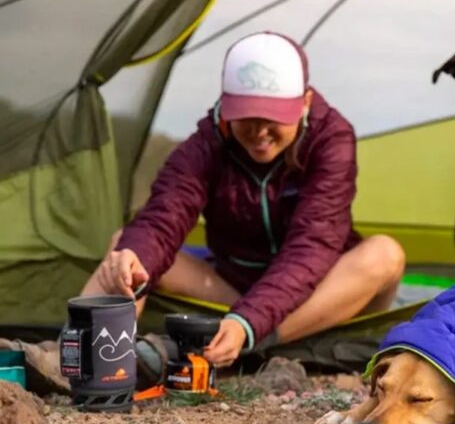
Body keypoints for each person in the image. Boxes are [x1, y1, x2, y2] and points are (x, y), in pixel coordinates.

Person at [82, 30, 405, 370]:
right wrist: (135, 255)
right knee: (130, 251)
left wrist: (248, 323)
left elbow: (314, 245)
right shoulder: (206, 144)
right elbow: (164, 218)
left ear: (305, 102)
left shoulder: (332, 139)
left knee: (385, 255)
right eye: (247, 116)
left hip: (316, 296)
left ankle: (252, 342)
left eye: (274, 117)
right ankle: (84, 360)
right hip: (234, 289)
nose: (259, 130)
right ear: (226, 105)